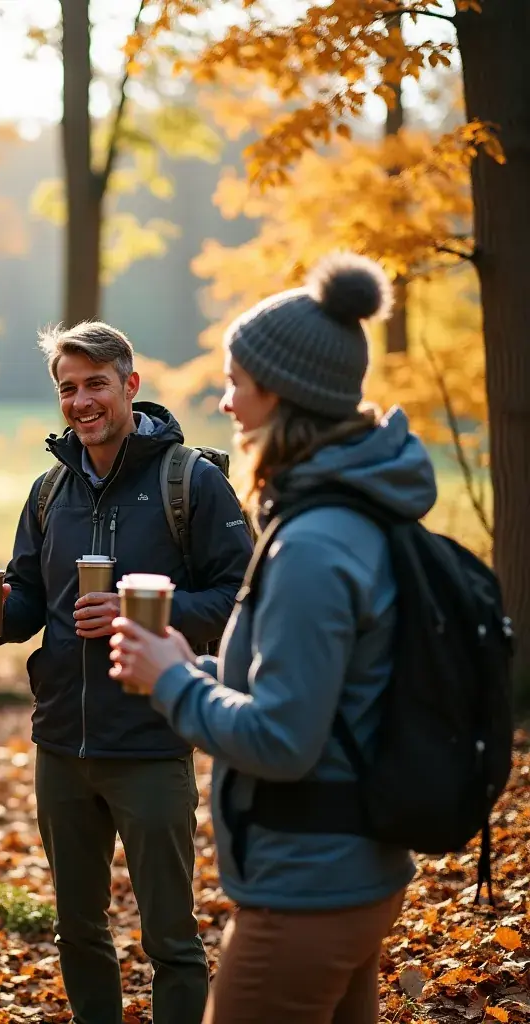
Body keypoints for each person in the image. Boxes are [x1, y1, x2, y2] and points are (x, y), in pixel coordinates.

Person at [110, 253, 433, 1024]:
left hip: (308, 886)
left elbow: (284, 738)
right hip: (355, 868)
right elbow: (316, 684)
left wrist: (174, 682)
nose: (224, 401)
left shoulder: (316, 542)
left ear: (281, 393)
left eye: (236, 382)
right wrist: (204, 666)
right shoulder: (354, 513)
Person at [0, 322, 253, 1024]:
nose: (82, 400)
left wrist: (146, 612)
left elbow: (241, 596)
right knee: (79, 931)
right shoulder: (49, 490)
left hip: (150, 739)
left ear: (129, 386)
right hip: (61, 745)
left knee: (171, 938)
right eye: (68, 387)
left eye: (95, 384)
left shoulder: (191, 481)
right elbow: (29, 601)